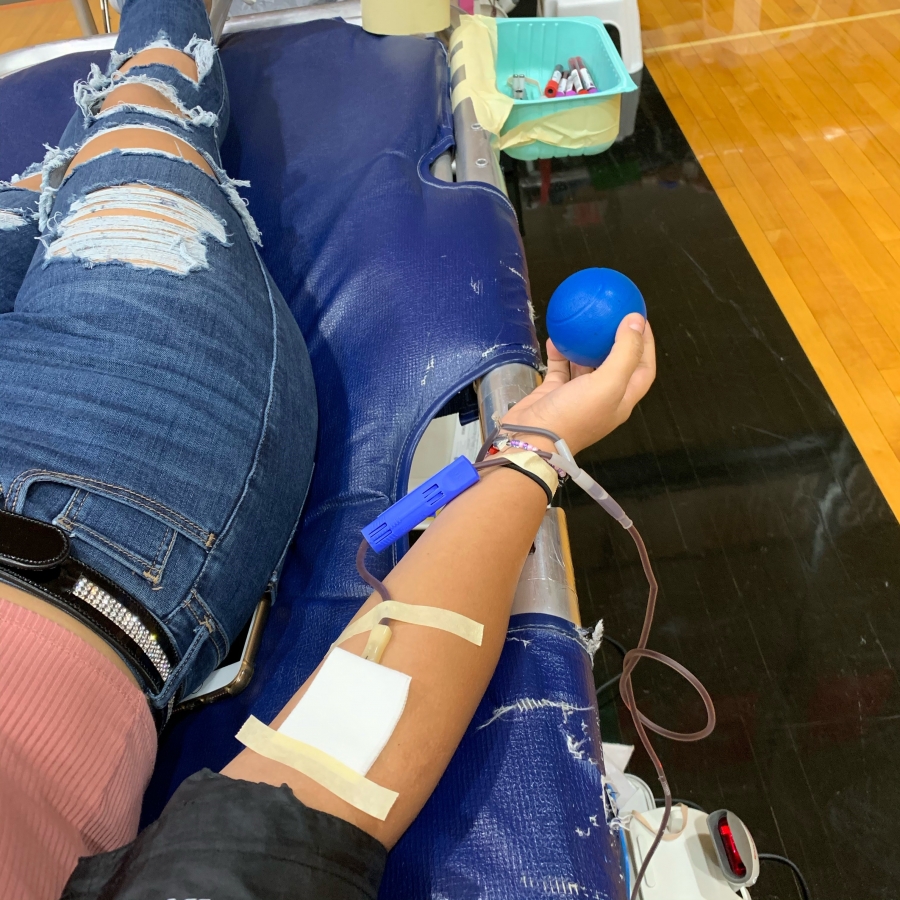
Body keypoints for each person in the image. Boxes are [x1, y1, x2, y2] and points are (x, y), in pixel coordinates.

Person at [0, 0, 655, 897]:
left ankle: (51, 184)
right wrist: (535, 451)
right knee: (144, 116)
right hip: (89, 496)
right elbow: (328, 768)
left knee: (63, 187)